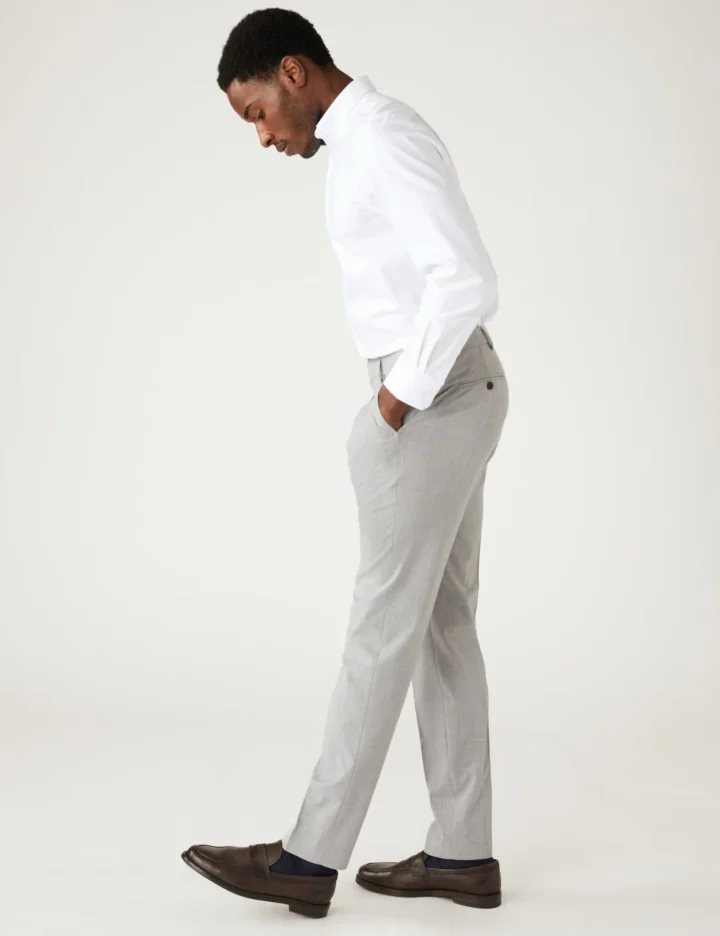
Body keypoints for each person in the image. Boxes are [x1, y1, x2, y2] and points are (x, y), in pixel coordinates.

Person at [181, 7, 509, 919]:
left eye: (257, 112)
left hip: (431, 395)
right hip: (449, 386)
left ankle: (307, 858)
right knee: (441, 626)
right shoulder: (364, 140)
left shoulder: (383, 138)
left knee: (380, 629)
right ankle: (462, 854)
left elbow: (467, 278)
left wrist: (395, 401)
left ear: (294, 72)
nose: (263, 136)